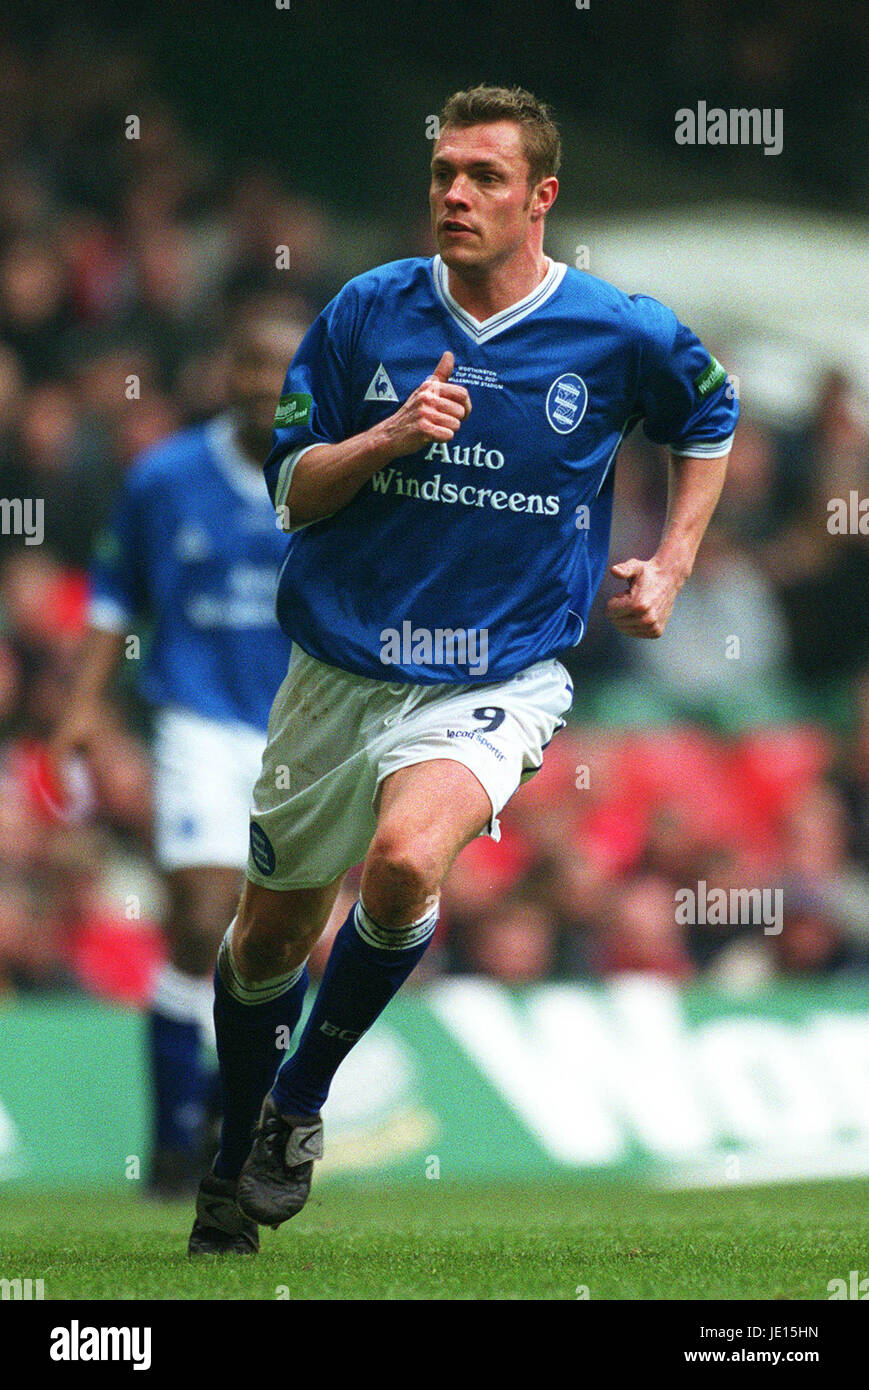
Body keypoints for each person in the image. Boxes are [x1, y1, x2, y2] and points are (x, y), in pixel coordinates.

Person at [188, 85, 738, 1255]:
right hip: (336, 669)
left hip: (495, 671)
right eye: (443, 170)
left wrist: (672, 563)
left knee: (401, 862)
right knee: (264, 945)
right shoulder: (361, 313)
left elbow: (708, 415)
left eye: (484, 176)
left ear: (540, 197)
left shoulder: (618, 330)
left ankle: (298, 1105)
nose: (454, 193)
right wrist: (385, 439)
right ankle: (232, 1150)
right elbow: (290, 490)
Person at [53, 302, 304, 1195]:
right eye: (248, 366)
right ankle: (168, 1143)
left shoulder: (334, 473)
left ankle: (226, 1126)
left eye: (281, 368)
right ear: (222, 375)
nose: (263, 385)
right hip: (196, 723)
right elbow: (115, 594)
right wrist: (81, 708)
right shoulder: (165, 476)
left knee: (277, 940)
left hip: (303, 730)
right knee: (200, 923)